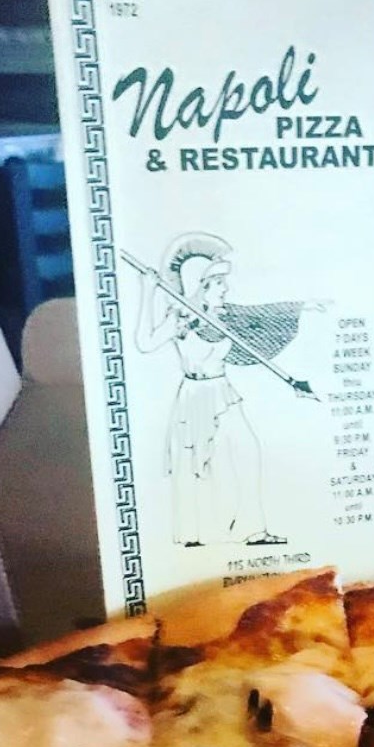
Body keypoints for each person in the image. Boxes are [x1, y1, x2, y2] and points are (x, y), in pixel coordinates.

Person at [134, 233, 310, 548]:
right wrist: (148, 291)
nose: (225, 288)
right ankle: (195, 536)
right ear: (201, 286)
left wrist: (303, 306)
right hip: (195, 396)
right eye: (218, 283)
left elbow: (263, 315)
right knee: (196, 464)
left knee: (247, 451)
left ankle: (254, 532)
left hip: (223, 393)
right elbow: (145, 343)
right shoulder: (182, 317)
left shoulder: (226, 316)